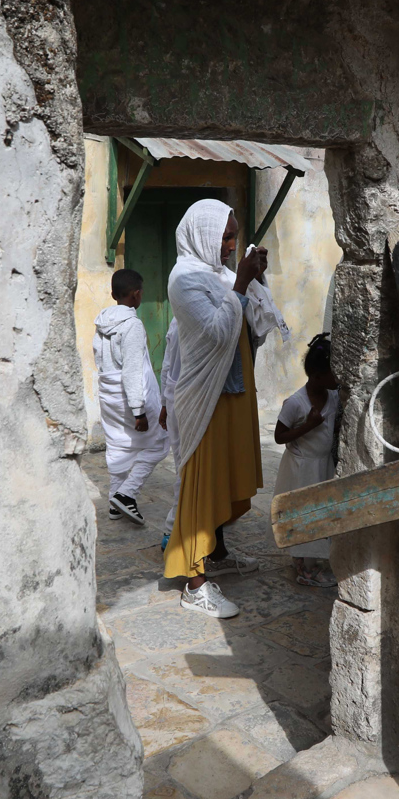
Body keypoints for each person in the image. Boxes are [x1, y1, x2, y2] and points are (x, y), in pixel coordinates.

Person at [162, 199, 271, 617]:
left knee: (226, 476)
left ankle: (218, 553)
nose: (230, 245)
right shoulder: (183, 279)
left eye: (234, 236)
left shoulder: (220, 274)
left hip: (233, 391)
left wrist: (254, 278)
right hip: (205, 396)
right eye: (225, 236)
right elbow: (216, 334)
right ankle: (194, 581)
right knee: (201, 486)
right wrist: (241, 284)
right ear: (203, 234)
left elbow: (256, 325)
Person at [92, 268, 166, 525]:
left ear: (113, 294)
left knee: (118, 446)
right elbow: (132, 370)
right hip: (128, 397)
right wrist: (139, 410)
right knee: (159, 443)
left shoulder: (101, 322)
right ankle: (126, 494)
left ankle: (114, 502)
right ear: (136, 295)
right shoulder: (132, 325)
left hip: (108, 395)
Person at [273, 333, 340, 587]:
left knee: (320, 513)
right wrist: (309, 426)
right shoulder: (296, 403)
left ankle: (307, 562)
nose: (337, 379)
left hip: (322, 466)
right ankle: (306, 568)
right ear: (317, 375)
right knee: (303, 514)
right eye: (333, 374)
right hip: (302, 469)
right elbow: (279, 436)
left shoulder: (332, 396)